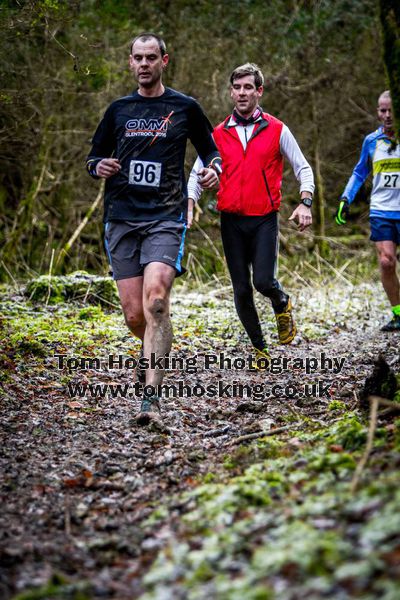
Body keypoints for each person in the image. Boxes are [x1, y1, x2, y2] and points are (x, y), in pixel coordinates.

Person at [86, 33, 221, 423]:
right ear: (130, 63)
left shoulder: (185, 108)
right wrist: (100, 167)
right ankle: (149, 354)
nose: (144, 64)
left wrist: (213, 170)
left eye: (151, 57)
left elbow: (211, 151)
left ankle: (151, 399)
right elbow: (93, 157)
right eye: (137, 58)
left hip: (165, 216)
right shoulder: (118, 110)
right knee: (134, 315)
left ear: (165, 60)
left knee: (157, 300)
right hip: (122, 217)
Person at [188, 63, 314, 358]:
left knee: (263, 282)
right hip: (230, 220)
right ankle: (260, 350)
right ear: (231, 92)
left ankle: (281, 300)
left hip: (264, 220)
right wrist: (190, 202)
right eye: (237, 87)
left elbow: (303, 168)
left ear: (259, 91)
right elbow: (196, 173)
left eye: (248, 87)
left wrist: (305, 202)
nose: (242, 93)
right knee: (242, 289)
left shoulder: (278, 129)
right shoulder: (217, 134)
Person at [336, 90, 400, 331]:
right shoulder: (372, 141)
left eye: (390, 110)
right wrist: (345, 198)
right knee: (386, 262)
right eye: (382, 111)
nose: (386, 115)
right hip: (382, 210)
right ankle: (398, 312)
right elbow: (359, 172)